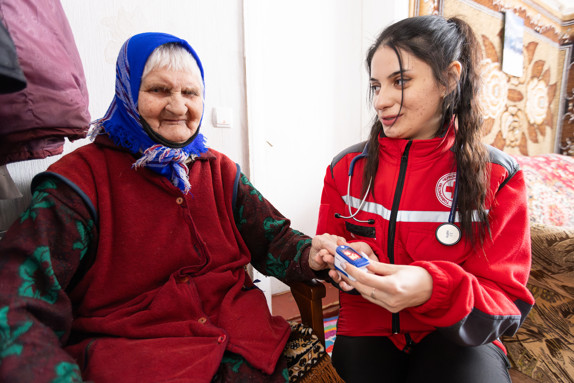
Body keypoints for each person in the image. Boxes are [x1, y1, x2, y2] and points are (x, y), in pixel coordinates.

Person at [0, 32, 343, 383]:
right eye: (159, 90)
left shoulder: (219, 171)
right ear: (128, 93)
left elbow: (273, 240)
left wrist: (310, 253)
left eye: (190, 93)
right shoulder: (78, 182)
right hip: (139, 361)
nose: (179, 107)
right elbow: (17, 301)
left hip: (250, 348)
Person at [308, 15, 535, 383]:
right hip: (367, 329)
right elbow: (330, 260)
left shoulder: (499, 176)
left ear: (449, 78)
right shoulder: (345, 169)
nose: (380, 101)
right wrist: (338, 261)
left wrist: (433, 289)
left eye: (400, 81)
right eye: (375, 85)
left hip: (457, 334)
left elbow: (506, 303)